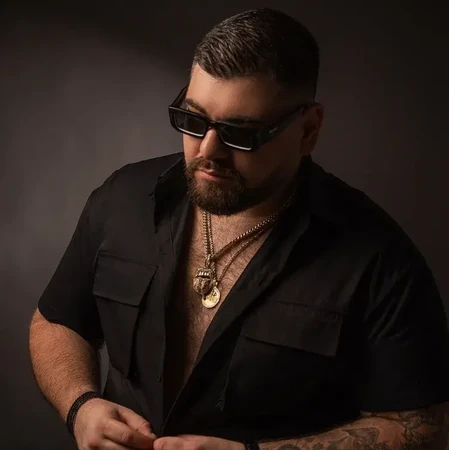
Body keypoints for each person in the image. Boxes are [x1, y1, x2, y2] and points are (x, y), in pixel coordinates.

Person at [29, 7, 449, 450]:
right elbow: (56, 323)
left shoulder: (381, 260)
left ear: (308, 129)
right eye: (193, 120)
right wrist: (80, 406)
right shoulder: (122, 199)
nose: (208, 151)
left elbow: (422, 427)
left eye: (240, 134)